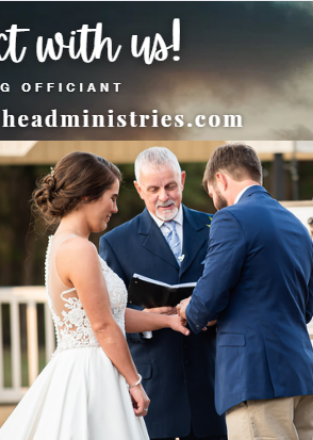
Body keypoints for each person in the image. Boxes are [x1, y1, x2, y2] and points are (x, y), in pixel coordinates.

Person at [0, 152, 190, 440]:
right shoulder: (79, 249)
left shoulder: (63, 243)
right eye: (111, 197)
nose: (115, 207)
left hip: (83, 365)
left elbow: (105, 315)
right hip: (91, 375)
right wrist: (134, 382)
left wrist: (165, 320)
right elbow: (102, 326)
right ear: (87, 196)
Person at [178, 143, 313, 440]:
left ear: (221, 180)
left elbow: (206, 301)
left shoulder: (231, 218)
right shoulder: (297, 226)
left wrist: (188, 308)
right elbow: (306, 309)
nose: (214, 202)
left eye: (212, 193)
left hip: (257, 378)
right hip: (301, 376)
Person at [99, 147, 227, 440]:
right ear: (138, 189)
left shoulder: (216, 227)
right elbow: (109, 318)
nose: (164, 196)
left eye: (170, 186)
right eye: (153, 189)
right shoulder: (115, 242)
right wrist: (148, 318)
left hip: (210, 382)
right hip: (154, 389)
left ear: (182, 180)